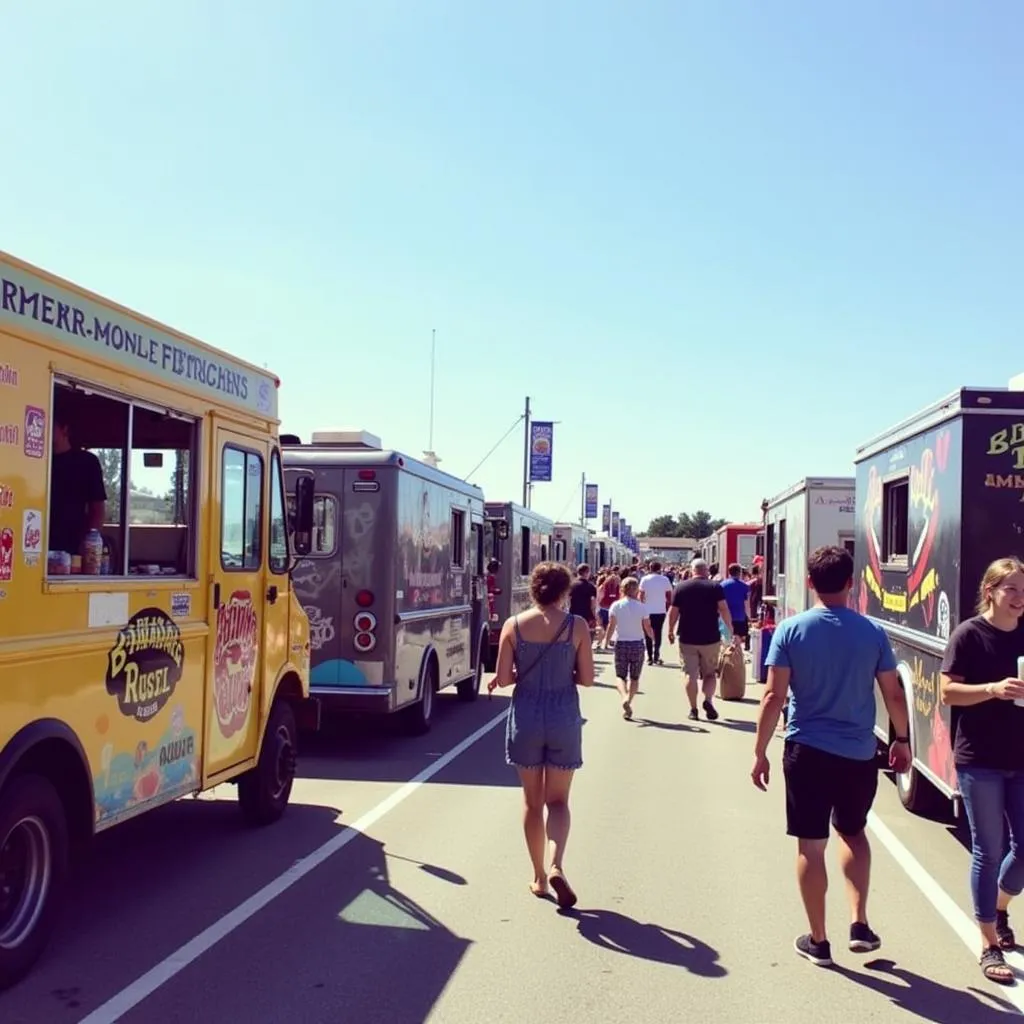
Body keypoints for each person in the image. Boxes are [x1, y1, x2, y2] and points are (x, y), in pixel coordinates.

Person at [751, 546, 910, 968]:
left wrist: (759, 751)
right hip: (858, 753)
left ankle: (818, 940)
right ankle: (859, 922)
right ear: (850, 582)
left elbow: (773, 696)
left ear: (809, 582)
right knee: (853, 833)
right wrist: (903, 740)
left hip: (807, 751)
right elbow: (893, 693)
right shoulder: (872, 632)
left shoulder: (791, 630)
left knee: (811, 844)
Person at [488, 562, 595, 909]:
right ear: (564, 592)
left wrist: (522, 670)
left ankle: (538, 877)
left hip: (527, 717)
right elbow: (588, 678)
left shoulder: (513, 625)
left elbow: (503, 679)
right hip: (563, 714)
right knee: (559, 802)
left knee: (532, 803)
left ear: (533, 590)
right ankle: (556, 864)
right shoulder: (576, 626)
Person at [940, 557, 1024, 985]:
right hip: (980, 760)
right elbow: (948, 691)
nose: (1019, 598)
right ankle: (989, 942)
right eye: (1010, 589)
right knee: (988, 851)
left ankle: (1000, 907)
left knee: (1023, 849)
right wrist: (992, 689)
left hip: (1021, 757)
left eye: (1023, 590)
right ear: (990, 590)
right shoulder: (969, 635)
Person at [667, 558, 734, 721]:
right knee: (710, 674)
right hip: (710, 637)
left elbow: (673, 611)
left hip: (688, 637)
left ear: (692, 570)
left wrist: (670, 630)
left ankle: (693, 709)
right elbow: (724, 609)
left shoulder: (681, 587)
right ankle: (708, 700)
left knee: (690, 674)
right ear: (705, 570)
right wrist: (730, 629)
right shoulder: (714, 587)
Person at [49, 409, 107, 558]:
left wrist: (89, 544)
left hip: (73, 546)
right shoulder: (34, 461)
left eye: (50, 424)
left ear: (65, 429)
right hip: (35, 540)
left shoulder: (87, 462)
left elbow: (98, 508)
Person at [607, 577, 653, 720]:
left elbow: (611, 625)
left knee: (620, 676)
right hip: (637, 644)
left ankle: (623, 696)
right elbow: (647, 627)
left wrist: (607, 640)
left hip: (621, 643)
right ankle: (629, 700)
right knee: (634, 677)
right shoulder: (642, 607)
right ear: (636, 590)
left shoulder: (616, 605)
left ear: (622, 589)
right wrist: (652, 637)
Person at [639, 560, 673, 665]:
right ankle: (656, 655)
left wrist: (641, 606)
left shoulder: (644, 579)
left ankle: (649, 657)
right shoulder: (665, 579)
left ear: (649, 568)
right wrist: (667, 606)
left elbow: (641, 595)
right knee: (658, 633)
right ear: (659, 568)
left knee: (647, 633)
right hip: (660, 610)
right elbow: (669, 595)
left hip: (647, 610)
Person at [721, 563, 752, 652]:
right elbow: (746, 604)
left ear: (729, 572)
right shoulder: (745, 586)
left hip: (725, 617)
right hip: (740, 617)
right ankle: (736, 659)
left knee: (726, 640)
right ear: (739, 573)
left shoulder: (722, 585)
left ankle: (726, 659)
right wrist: (749, 617)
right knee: (737, 640)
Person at [568, 564, 598, 643]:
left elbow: (567, 601)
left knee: (573, 636)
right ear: (587, 573)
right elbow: (593, 604)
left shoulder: (571, 585)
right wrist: (594, 616)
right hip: (586, 616)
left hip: (573, 614)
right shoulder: (591, 587)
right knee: (586, 638)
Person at [596, 570, 621, 651]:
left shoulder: (602, 587)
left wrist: (597, 609)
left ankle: (600, 643)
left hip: (603, 609)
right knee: (611, 627)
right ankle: (606, 642)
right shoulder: (619, 588)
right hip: (613, 610)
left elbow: (598, 599)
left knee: (603, 627)